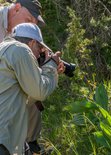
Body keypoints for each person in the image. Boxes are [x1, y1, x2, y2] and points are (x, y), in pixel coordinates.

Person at [0, 22, 61, 155]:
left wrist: (46, 72)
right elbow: (40, 92)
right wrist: (50, 66)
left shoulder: (4, 49)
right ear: (33, 42)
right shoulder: (20, 49)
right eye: (40, 49)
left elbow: (24, 100)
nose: (39, 55)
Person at [0, 0, 47, 153]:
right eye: (28, 20)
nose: (30, 26)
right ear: (17, 8)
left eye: (34, 24)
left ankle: (28, 144)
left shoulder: (21, 35)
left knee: (32, 93)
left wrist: (48, 62)